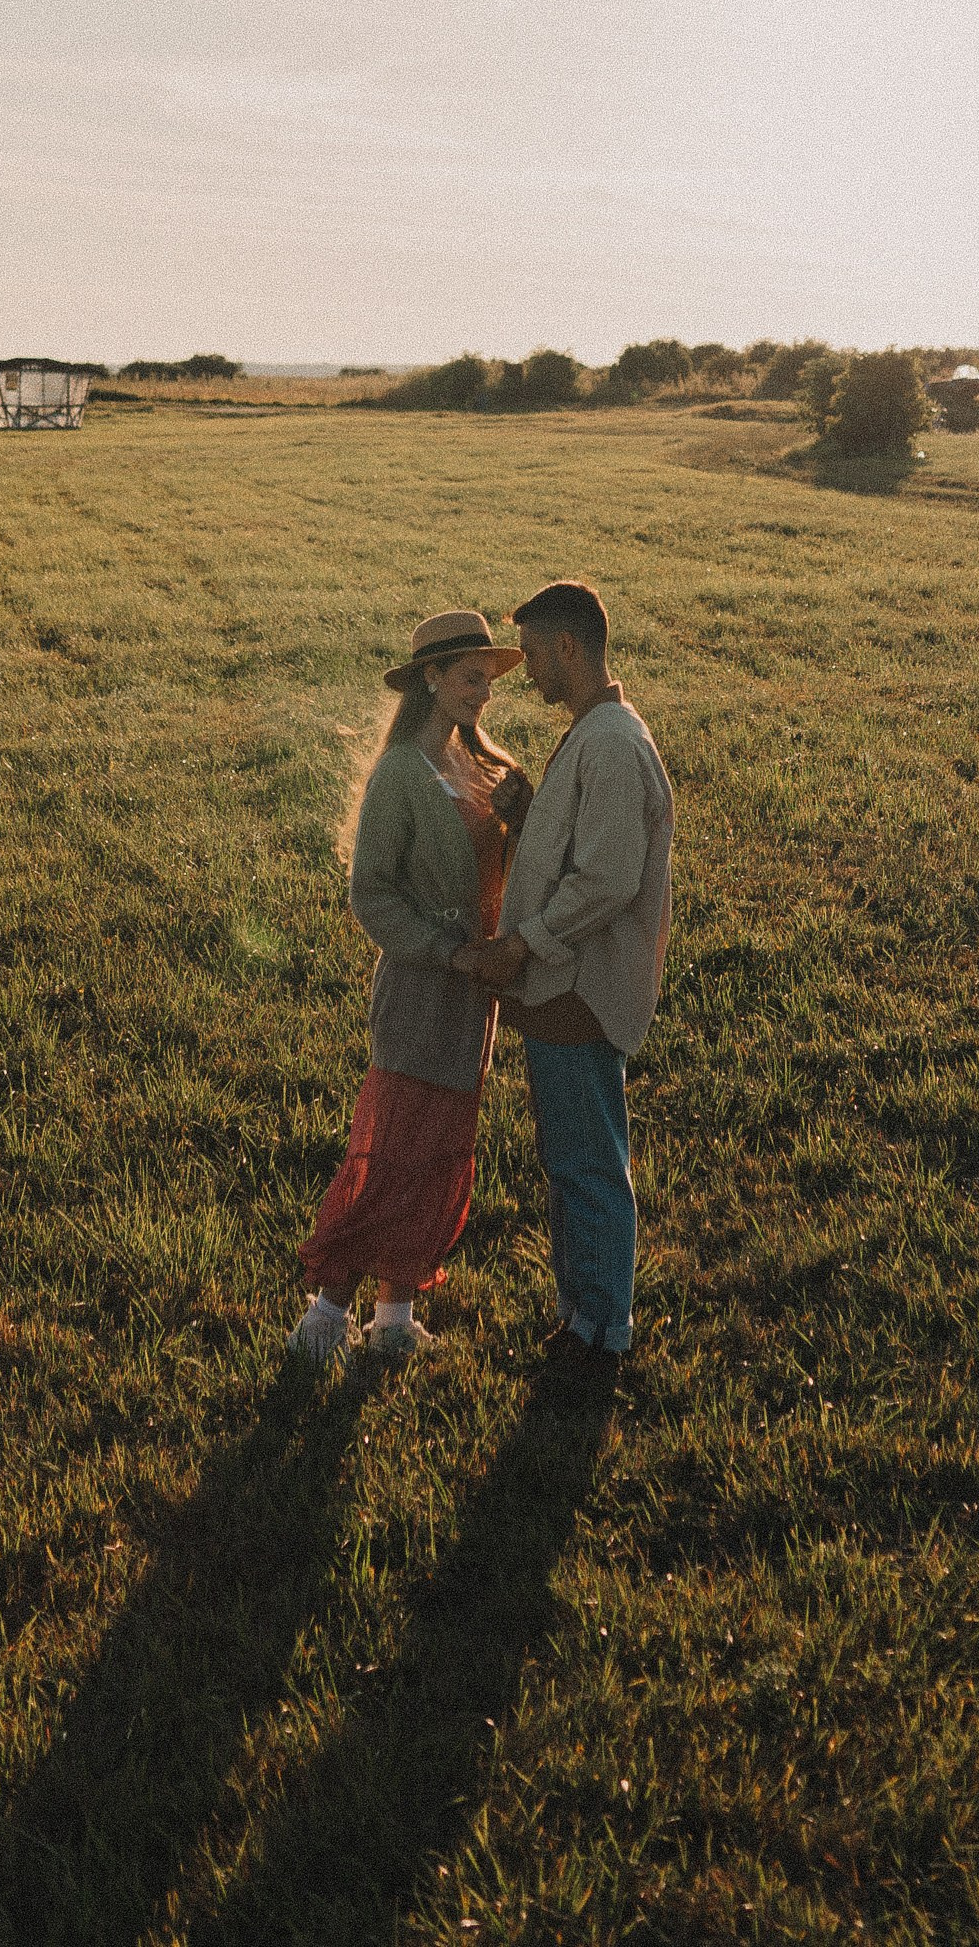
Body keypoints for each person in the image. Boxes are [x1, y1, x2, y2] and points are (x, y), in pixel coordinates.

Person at [287, 611, 532, 1370]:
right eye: (469, 678)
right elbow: (373, 895)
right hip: (424, 990)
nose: (482, 695)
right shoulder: (400, 775)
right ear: (430, 678)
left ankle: (393, 1321)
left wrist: (520, 824)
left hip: (474, 1000)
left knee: (439, 1155)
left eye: (488, 682)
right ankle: (325, 1319)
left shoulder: (487, 770)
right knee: (393, 1149)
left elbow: (510, 885)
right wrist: (449, 953)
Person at [452, 579, 672, 1391]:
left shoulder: (611, 742)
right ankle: (582, 1316)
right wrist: (531, 813)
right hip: (561, 984)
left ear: (571, 649)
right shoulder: (594, 734)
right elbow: (586, 847)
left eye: (537, 655)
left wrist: (525, 945)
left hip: (576, 985)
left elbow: (609, 877)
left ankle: (604, 1332)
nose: (530, 672)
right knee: (570, 1155)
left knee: (586, 1163)